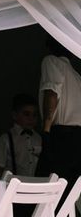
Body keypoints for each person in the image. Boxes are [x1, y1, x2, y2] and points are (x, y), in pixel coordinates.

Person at [37, 35, 81, 193]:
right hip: (77, 138)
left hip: (61, 136)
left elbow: (52, 94)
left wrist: (46, 130)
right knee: (68, 189)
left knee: (47, 186)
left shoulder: (51, 61)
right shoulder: (77, 77)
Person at [0, 93, 42, 177]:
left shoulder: (39, 139)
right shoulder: (5, 139)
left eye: (34, 115)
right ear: (15, 115)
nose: (31, 118)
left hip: (36, 185)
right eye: (26, 114)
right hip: (13, 186)